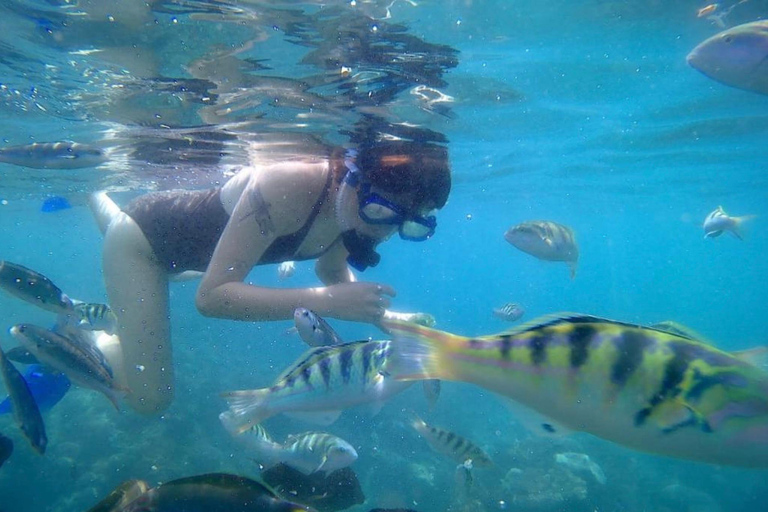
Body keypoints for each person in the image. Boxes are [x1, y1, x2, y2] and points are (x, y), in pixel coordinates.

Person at [89, 140, 452, 414]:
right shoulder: (292, 182)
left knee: (167, 266)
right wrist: (325, 302)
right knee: (151, 400)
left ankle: (98, 202)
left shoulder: (358, 210)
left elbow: (331, 271)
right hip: (144, 246)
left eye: (408, 224)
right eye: (381, 213)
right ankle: (87, 336)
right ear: (356, 180)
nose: (385, 233)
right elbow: (212, 298)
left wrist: (386, 318)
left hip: (191, 260)